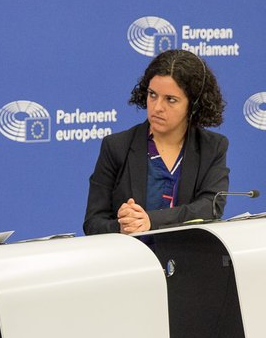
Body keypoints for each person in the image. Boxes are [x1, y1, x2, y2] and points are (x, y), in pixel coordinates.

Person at [84, 50, 230, 234]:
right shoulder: (116, 146)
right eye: (152, 95)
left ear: (193, 105)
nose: (157, 107)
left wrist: (150, 221)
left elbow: (211, 207)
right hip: (133, 257)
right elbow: (93, 222)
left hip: (189, 255)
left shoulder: (213, 147)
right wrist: (122, 226)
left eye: (170, 99)